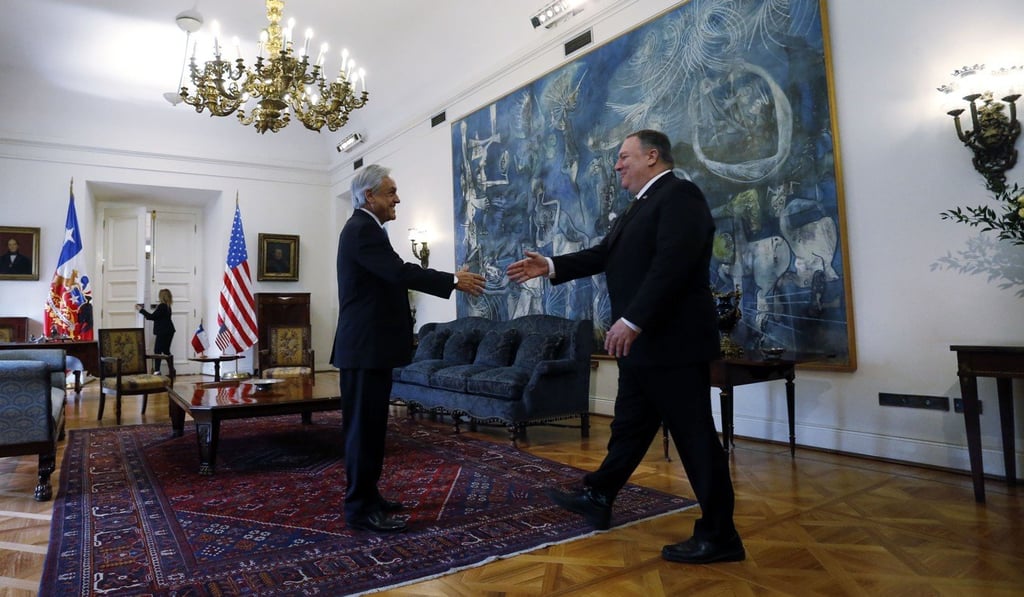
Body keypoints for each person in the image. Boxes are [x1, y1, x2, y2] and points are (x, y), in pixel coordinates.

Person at [506, 130, 744, 564]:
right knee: (630, 428)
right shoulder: (638, 208)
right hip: (646, 349)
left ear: (653, 157)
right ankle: (599, 496)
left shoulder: (680, 195)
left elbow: (674, 265)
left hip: (672, 345)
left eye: (624, 157)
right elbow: (603, 255)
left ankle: (720, 534)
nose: (616, 165)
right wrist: (551, 265)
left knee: (694, 439)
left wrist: (632, 320)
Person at [332, 164, 486, 533]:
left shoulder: (369, 229)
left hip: (371, 349)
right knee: (362, 431)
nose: (396, 198)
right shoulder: (361, 230)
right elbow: (399, 273)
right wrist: (452, 280)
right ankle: (359, 507)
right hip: (364, 350)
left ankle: (369, 496)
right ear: (369, 196)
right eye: (390, 192)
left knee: (372, 428)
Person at [137, 288, 175, 375]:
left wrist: (140, 310)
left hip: (163, 332)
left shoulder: (162, 306)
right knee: (166, 351)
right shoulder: (168, 306)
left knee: (157, 351)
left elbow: (151, 317)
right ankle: (172, 370)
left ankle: (157, 371)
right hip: (170, 331)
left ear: (162, 296)